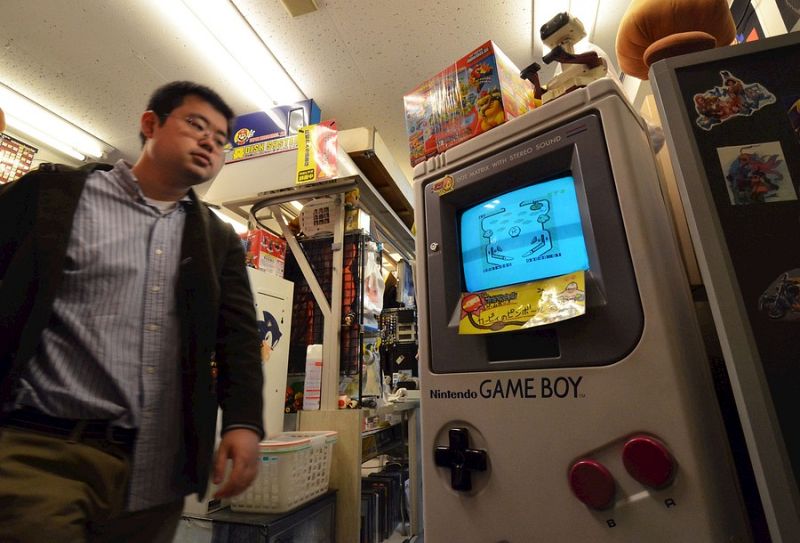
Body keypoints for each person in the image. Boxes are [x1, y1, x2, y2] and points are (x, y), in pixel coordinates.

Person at [0, 81, 264, 542]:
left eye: (221, 140)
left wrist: (243, 423)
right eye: (196, 124)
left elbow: (238, 338)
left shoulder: (217, 241)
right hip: (42, 451)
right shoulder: (51, 196)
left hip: (156, 472)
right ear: (150, 124)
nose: (209, 142)